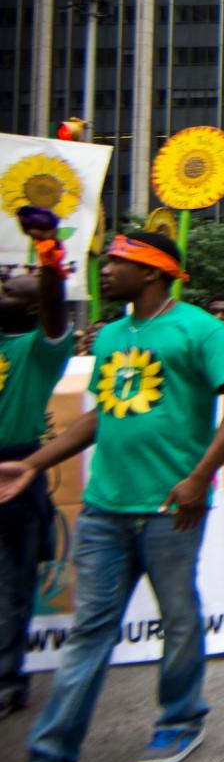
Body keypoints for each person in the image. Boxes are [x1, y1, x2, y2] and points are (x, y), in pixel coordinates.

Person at [0, 232, 224, 762]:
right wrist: (35, 464)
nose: (107, 270)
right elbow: (102, 414)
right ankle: (50, 758)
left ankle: (182, 718)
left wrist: (200, 477)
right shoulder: (114, 334)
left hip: (172, 508)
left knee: (179, 618)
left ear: (153, 271)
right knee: (90, 631)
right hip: (103, 510)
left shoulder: (201, 328)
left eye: (118, 262)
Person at [0, 209, 73, 721]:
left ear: (27, 310)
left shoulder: (39, 350)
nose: (1, 288)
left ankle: (7, 681)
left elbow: (52, 305)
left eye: (9, 290)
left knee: (9, 582)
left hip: (12, 470)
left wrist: (48, 253)